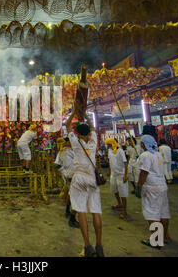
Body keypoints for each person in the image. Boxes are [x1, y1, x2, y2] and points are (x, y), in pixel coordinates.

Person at [65, 108, 104, 257]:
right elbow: (93, 127)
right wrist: (86, 115)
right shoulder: (93, 141)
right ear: (88, 133)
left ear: (78, 134)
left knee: (81, 211)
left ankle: (88, 246)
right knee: (95, 211)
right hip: (92, 178)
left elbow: (68, 126)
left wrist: (74, 112)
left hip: (79, 178)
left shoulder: (75, 142)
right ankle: (99, 245)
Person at [135, 135, 171, 249]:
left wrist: (139, 186)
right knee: (163, 212)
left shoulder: (146, 155)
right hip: (162, 185)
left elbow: (144, 172)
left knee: (152, 213)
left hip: (152, 187)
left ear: (144, 144)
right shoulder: (157, 154)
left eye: (141, 143)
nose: (140, 144)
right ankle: (164, 237)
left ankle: (156, 240)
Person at [54, 137, 78, 227]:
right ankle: (72, 218)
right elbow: (57, 165)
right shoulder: (65, 151)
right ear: (67, 142)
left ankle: (68, 211)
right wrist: (64, 172)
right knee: (75, 196)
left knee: (70, 194)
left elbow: (57, 164)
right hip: (71, 176)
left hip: (71, 175)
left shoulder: (66, 151)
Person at [106, 137, 128, 220]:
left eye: (108, 144)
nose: (107, 146)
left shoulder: (120, 151)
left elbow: (125, 163)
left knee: (123, 193)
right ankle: (119, 204)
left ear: (112, 144)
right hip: (113, 174)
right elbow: (110, 162)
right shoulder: (110, 151)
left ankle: (124, 211)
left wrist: (125, 175)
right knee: (114, 190)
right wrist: (109, 171)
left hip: (121, 174)